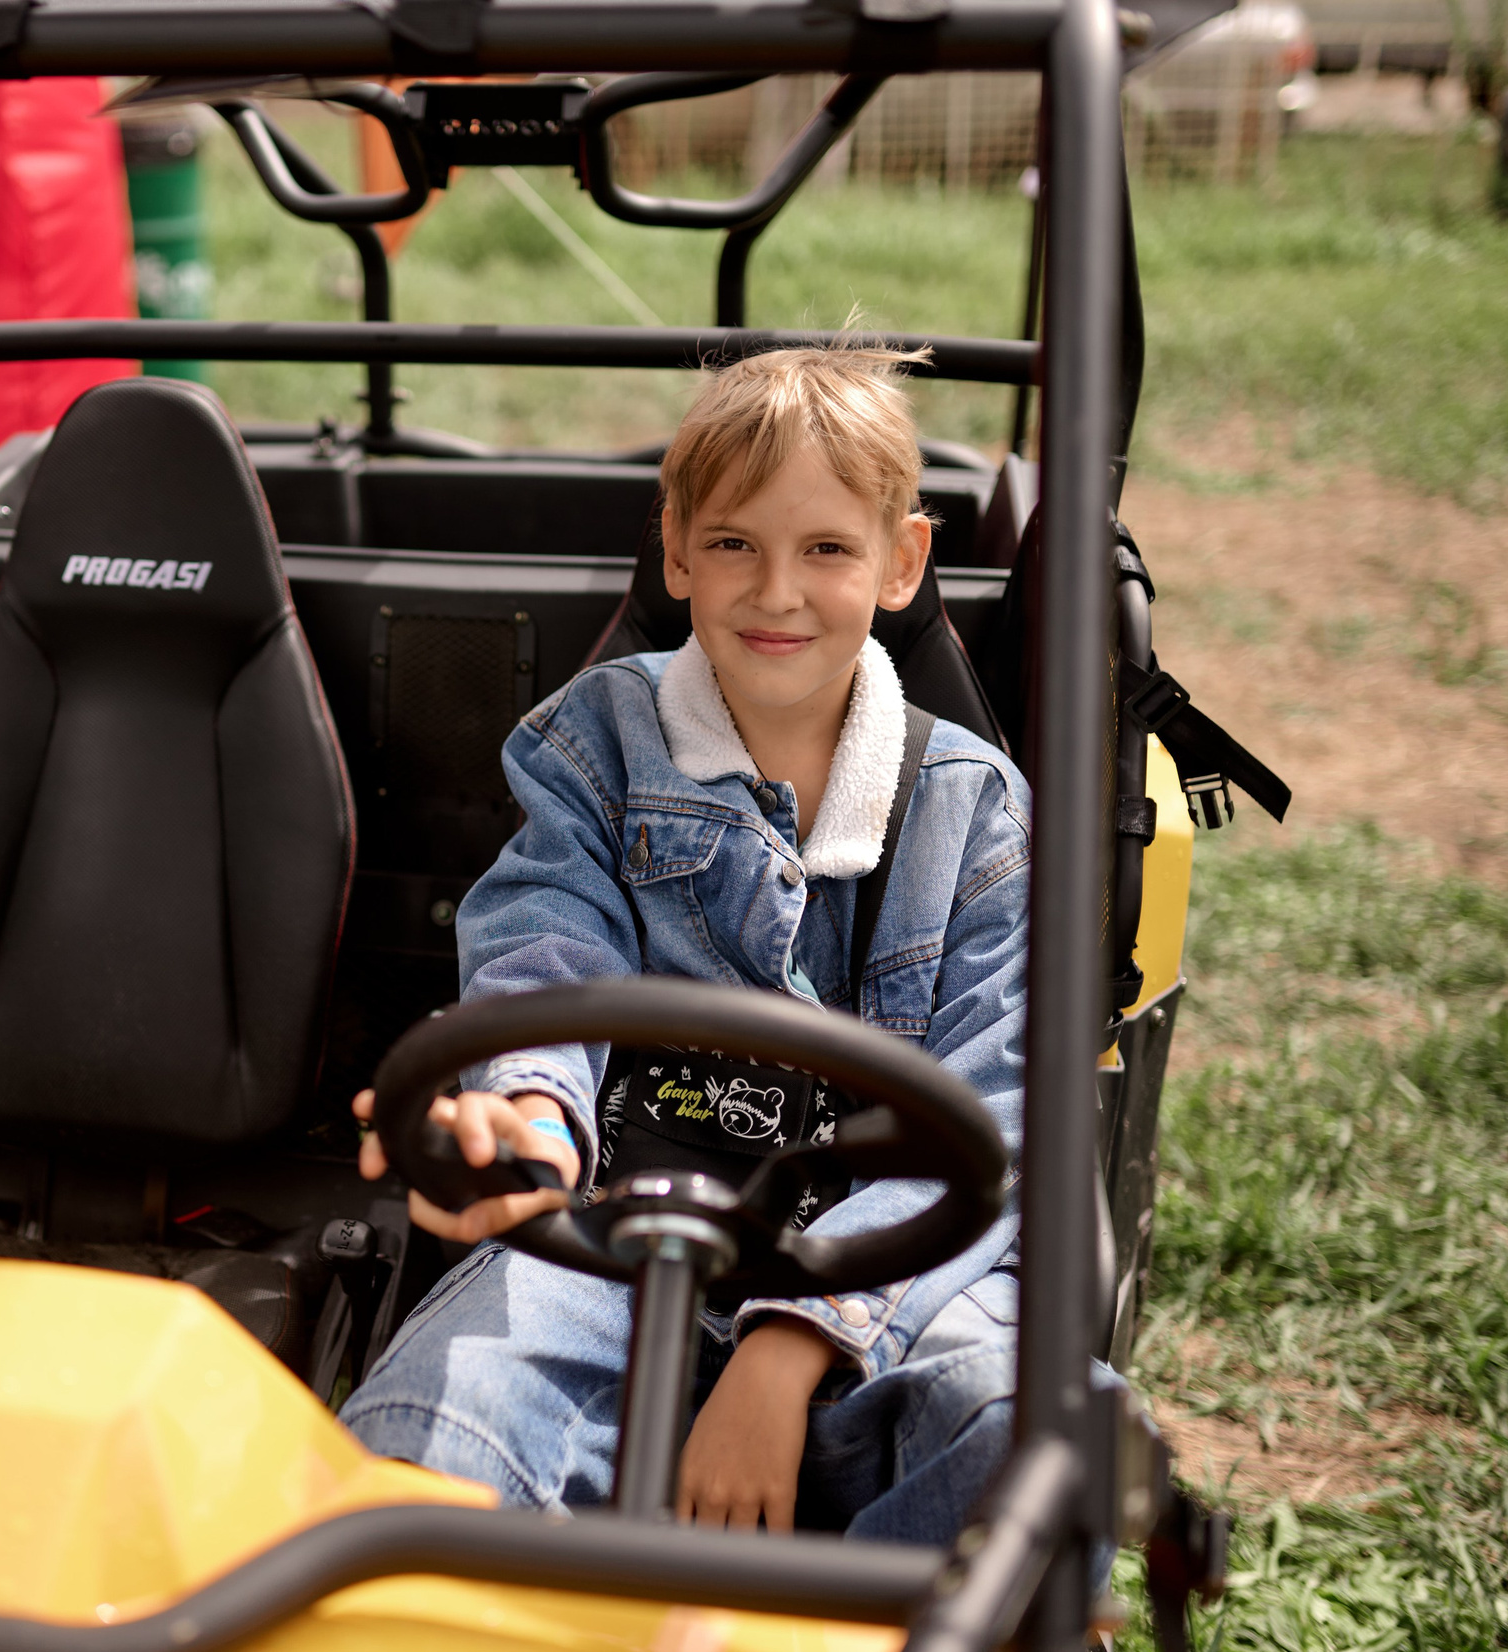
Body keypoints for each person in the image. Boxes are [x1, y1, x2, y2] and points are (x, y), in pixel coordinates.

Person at [341, 347, 1059, 1543]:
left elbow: (993, 1120)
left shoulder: (975, 812)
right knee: (429, 1429)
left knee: (1014, 1434)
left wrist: (791, 1342)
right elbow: (544, 954)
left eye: (825, 549)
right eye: (733, 543)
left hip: (889, 1268)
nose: (776, 590)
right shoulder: (594, 744)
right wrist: (527, 1111)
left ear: (901, 561)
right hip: (610, 1237)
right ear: (675, 550)